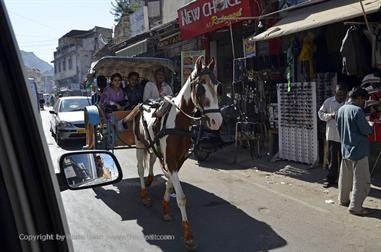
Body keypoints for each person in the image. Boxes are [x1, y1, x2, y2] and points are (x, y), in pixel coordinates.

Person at [336, 87, 374, 216]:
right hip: (359, 149)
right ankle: (356, 207)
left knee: (345, 177)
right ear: (359, 98)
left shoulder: (341, 109)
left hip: (345, 148)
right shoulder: (357, 111)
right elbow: (366, 130)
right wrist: (371, 127)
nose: (364, 103)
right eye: (364, 100)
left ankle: (343, 199)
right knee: (361, 180)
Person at [318, 84, 348, 188]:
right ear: (335, 93)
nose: (340, 97)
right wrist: (330, 116)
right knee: (332, 159)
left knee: (345, 161)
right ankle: (330, 179)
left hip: (345, 136)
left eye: (343, 95)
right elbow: (320, 114)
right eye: (339, 94)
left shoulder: (348, 103)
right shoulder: (328, 101)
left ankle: (342, 181)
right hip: (332, 135)